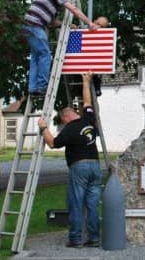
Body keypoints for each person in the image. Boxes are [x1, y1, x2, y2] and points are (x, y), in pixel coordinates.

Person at [38, 72, 102, 248]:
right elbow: (87, 101)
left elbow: (52, 143)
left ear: (66, 117)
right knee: (92, 205)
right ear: (75, 113)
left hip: (79, 167)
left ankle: (75, 239)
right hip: (96, 167)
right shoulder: (88, 119)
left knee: (75, 203)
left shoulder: (69, 129)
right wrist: (86, 80)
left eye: (62, 120)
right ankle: (94, 238)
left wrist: (43, 128)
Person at [23, 0, 99, 97]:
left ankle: (33, 88)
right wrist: (89, 23)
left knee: (36, 56)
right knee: (45, 54)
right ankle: (42, 86)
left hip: (28, 26)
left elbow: (51, 22)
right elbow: (74, 9)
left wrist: (66, 24)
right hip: (36, 26)